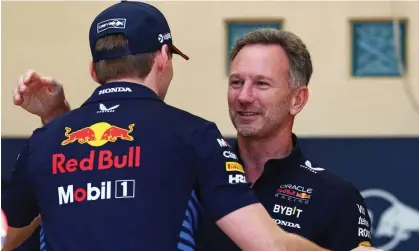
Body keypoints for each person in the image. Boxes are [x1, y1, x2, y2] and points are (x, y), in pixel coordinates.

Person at [6, 6, 380, 251]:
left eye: (262, 84)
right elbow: (271, 245)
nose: (245, 97)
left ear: (93, 69)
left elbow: (10, 232)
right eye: (236, 82)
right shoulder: (193, 140)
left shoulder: (45, 143)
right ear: (164, 58)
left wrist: (57, 123)